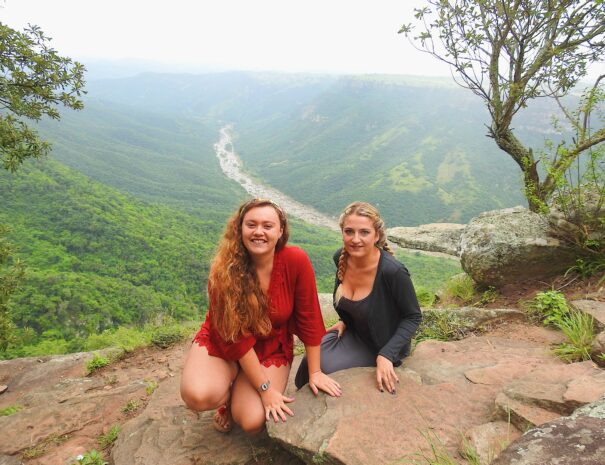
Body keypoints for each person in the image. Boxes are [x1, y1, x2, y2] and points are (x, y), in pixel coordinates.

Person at [181, 198, 342, 435]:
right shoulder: (224, 271)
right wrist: (265, 389)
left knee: (251, 420)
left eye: (267, 226)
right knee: (198, 396)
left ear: (280, 231)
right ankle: (229, 390)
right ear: (240, 229)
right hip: (227, 342)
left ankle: (238, 392)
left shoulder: (295, 260)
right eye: (251, 225)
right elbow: (236, 338)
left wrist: (315, 372)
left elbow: (309, 317)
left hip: (271, 344)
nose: (259, 232)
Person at [295, 201, 422, 394]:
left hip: (382, 343)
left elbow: (413, 317)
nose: (355, 239)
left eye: (364, 232)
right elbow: (349, 300)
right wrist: (345, 320)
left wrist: (386, 355)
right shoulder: (341, 258)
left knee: (328, 370)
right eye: (349, 232)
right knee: (309, 361)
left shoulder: (392, 271)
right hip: (355, 332)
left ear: (377, 235)